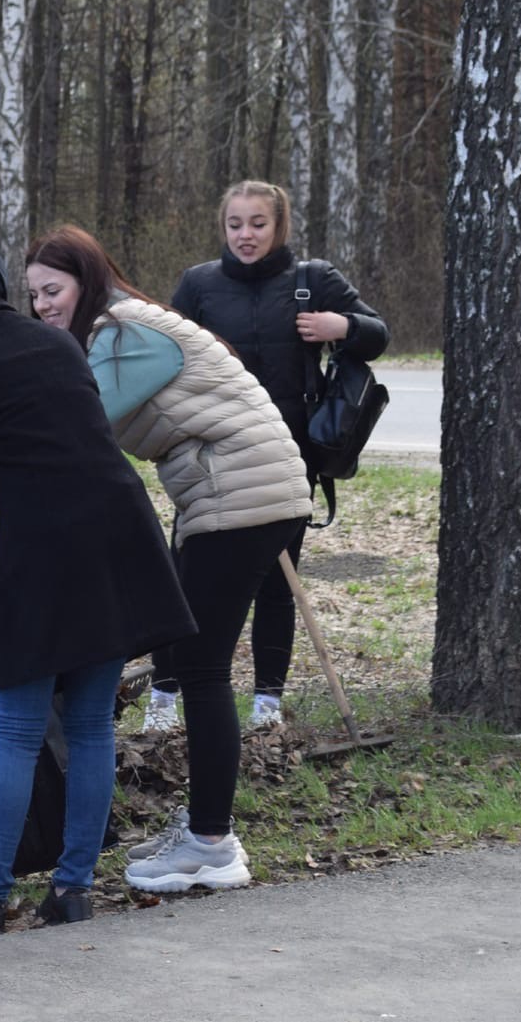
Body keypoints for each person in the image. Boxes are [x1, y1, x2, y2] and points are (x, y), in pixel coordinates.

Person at [0, 233, 194, 936]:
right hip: (117, 534)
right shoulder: (55, 343)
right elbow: (42, 443)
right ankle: (74, 889)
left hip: (45, 553)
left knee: (18, 728)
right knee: (88, 725)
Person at [26, 225, 313, 893]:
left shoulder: (122, 331)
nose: (42, 303)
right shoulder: (119, 328)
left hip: (239, 493)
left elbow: (79, 423)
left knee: (204, 666)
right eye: (34, 293)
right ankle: (208, 829)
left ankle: (212, 842)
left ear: (87, 278)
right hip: (239, 491)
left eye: (53, 289)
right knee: (192, 661)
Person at [143, 180, 390, 733]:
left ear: (279, 226)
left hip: (287, 460)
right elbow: (162, 357)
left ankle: (266, 705)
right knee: (185, 576)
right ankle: (163, 697)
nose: (245, 235)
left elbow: (378, 335)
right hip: (209, 458)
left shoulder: (313, 281)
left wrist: (341, 327)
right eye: (235, 224)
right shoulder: (198, 285)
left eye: (258, 223)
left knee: (278, 582)